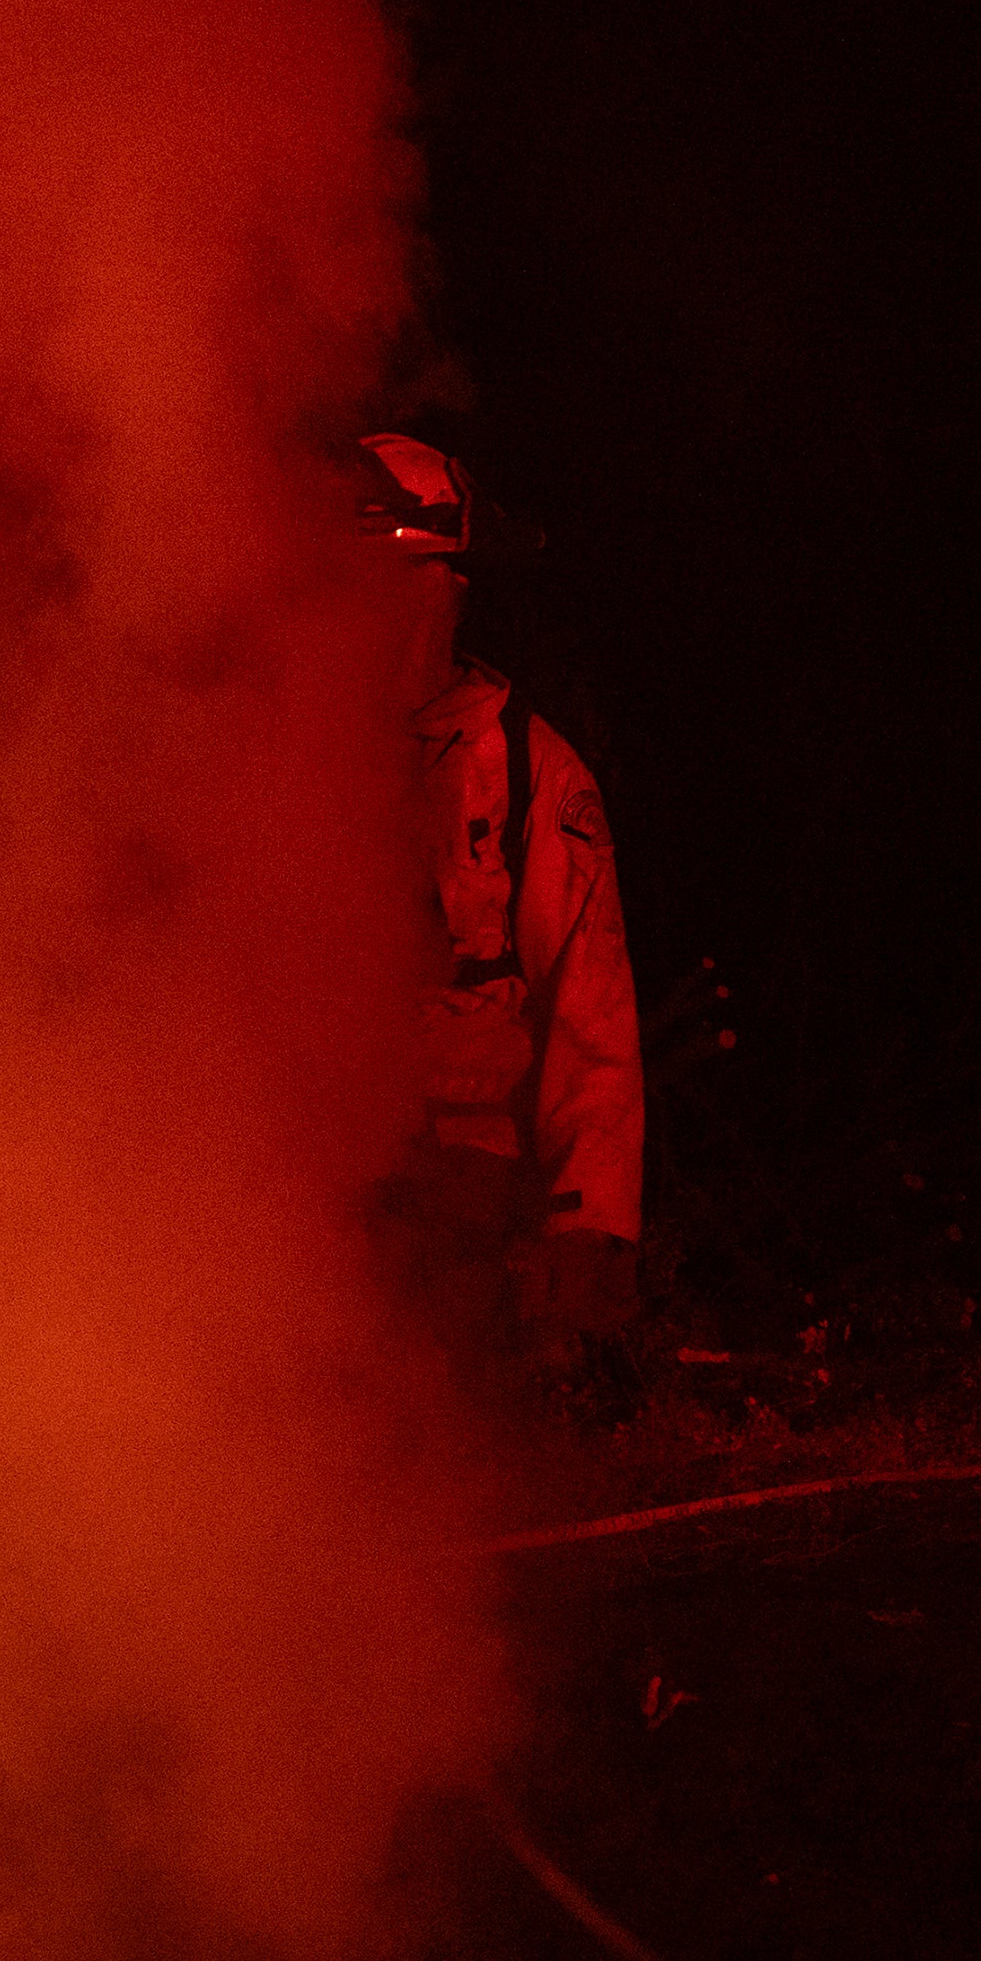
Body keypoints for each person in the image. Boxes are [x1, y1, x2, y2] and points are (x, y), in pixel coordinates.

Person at [355, 432, 644, 1359]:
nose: (382, 617)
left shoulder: (525, 772)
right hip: (286, 1181)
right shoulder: (261, 753)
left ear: (454, 590)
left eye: (414, 583)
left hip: (461, 1196)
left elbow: (587, 1011)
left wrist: (587, 1225)